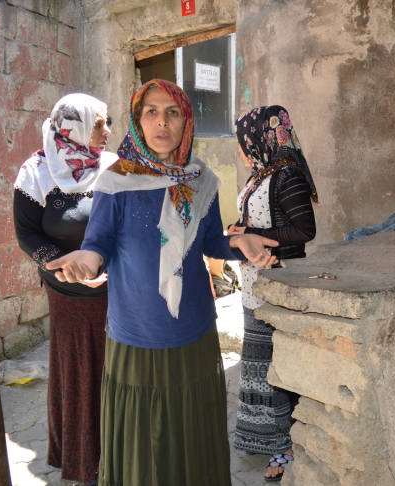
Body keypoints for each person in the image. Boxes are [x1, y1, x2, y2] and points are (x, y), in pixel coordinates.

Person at [45, 79, 279, 486]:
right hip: (136, 334)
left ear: (186, 120)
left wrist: (239, 242)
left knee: (191, 437)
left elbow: (209, 243)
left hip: (193, 331)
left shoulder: (199, 179)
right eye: (150, 112)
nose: (161, 122)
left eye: (172, 112)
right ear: (137, 121)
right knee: (144, 447)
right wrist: (85, 260)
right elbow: (96, 244)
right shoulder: (114, 182)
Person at [13, 93, 116, 485]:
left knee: (116, 375)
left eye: (107, 123)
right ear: (73, 126)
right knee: (77, 376)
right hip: (69, 297)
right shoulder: (36, 172)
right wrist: (64, 265)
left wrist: (103, 262)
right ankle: (83, 462)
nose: (107, 132)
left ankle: (118, 455)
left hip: (113, 292)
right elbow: (27, 233)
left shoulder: (112, 168)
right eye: (99, 123)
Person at [228, 106, 318, 481]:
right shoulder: (259, 176)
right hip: (254, 286)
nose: (239, 149)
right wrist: (239, 231)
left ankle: (284, 447)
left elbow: (304, 230)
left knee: (275, 372)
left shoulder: (287, 175)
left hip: (279, 286)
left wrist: (255, 239)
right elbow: (254, 221)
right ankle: (266, 438)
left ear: (259, 138)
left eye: (241, 141)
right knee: (258, 367)